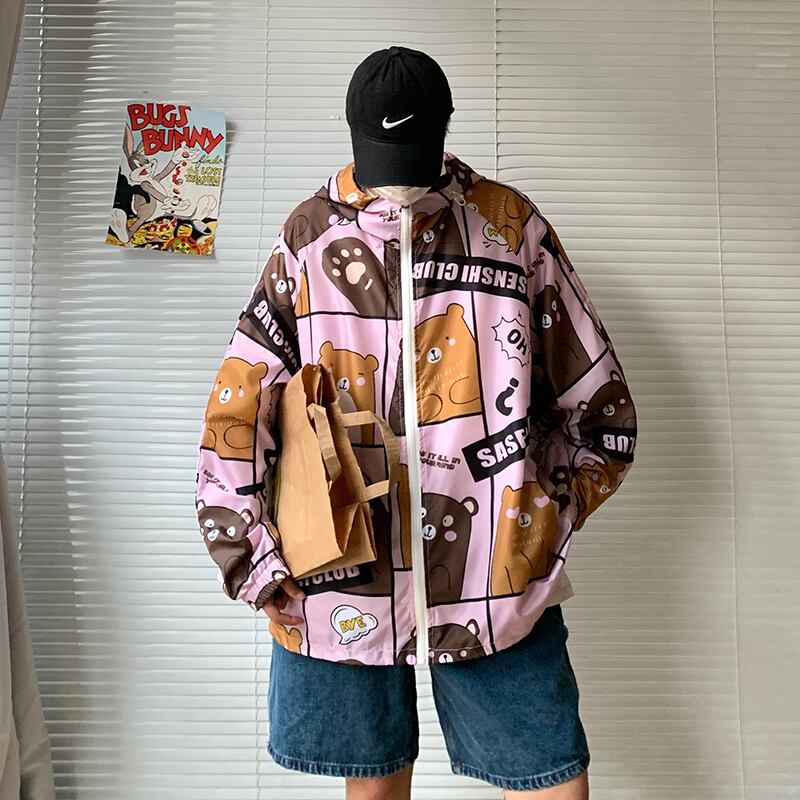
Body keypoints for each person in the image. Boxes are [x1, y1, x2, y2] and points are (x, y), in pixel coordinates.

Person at [194, 45, 637, 799]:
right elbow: (239, 408)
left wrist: (538, 519)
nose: (397, 178)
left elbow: (600, 410)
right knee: (374, 788)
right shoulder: (309, 237)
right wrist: (251, 558)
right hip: (341, 577)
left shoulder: (508, 228)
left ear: (445, 130)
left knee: (555, 784)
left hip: (495, 579)